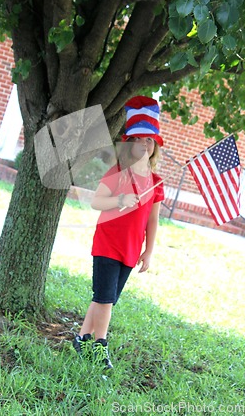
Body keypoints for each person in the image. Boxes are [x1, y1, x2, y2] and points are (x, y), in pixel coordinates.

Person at [72, 96, 165, 369]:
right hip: (107, 242)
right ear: (129, 143)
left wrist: (148, 251)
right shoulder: (118, 172)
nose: (144, 144)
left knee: (107, 297)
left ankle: (82, 338)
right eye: (139, 139)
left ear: (155, 146)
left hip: (131, 247)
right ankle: (100, 346)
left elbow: (153, 219)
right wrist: (120, 200)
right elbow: (96, 201)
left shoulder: (155, 182)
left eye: (150, 140)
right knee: (104, 298)